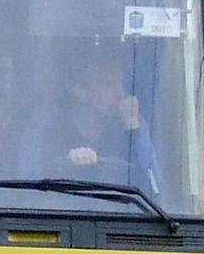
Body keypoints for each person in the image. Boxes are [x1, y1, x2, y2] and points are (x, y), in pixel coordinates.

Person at [23, 52, 160, 192]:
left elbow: (154, 184)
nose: (120, 93)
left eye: (120, 83)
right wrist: (65, 164)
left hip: (117, 204)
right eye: (108, 84)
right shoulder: (48, 121)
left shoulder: (132, 121)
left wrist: (133, 128)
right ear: (80, 91)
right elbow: (26, 177)